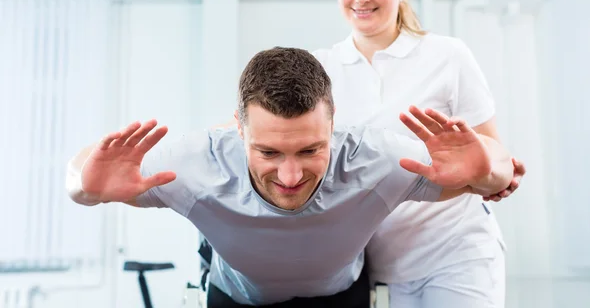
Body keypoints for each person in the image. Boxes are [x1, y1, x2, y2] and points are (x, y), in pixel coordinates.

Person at [67, 47, 513, 307]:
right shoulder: (193, 163)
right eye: (268, 152)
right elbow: (81, 178)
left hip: (339, 297)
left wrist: (487, 171)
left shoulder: (376, 157)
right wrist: (83, 190)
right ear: (238, 129)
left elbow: (496, 173)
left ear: (333, 124)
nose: (290, 174)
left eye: (310, 149)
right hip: (237, 300)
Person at [312, 0, 526, 308]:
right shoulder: (322, 70)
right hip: (380, 265)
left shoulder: (447, 56)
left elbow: (492, 150)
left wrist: (490, 171)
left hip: (457, 251)